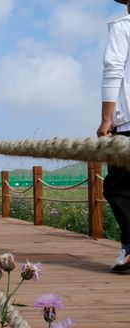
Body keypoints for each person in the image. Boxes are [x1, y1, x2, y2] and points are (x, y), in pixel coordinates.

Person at [98, 0, 130, 272]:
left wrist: (107, 120)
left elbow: (114, 71)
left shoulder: (123, 28)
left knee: (117, 187)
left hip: (128, 124)